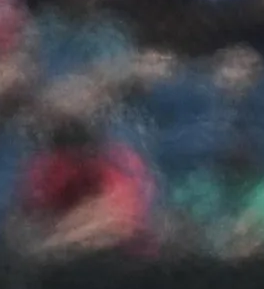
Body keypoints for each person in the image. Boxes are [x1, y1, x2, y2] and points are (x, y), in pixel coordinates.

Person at [10, 103, 156, 255]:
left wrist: (57, 239)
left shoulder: (117, 163)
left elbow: (121, 221)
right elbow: (26, 222)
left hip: (121, 257)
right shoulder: (47, 169)